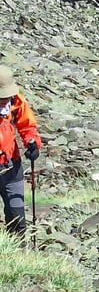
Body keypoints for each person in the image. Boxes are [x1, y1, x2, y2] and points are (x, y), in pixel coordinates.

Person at [0, 65, 42, 239]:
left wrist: (33, 145)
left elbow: (27, 127)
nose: (5, 99)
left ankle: (19, 254)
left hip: (11, 165)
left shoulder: (17, 102)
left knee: (17, 214)